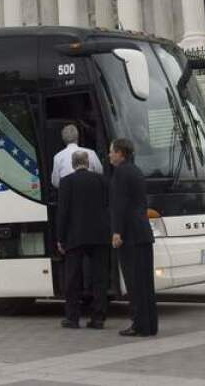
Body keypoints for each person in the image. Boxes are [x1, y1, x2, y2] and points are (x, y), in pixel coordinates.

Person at [109, 137, 156, 337]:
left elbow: (119, 204)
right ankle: (150, 324)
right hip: (143, 231)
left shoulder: (120, 172)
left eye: (111, 151)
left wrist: (117, 231)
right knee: (146, 282)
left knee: (134, 282)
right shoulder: (136, 170)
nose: (109, 155)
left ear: (120, 153)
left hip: (130, 234)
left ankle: (138, 324)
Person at [57, 150, 109, 329]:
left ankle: (72, 317)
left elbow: (62, 213)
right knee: (99, 278)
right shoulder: (102, 180)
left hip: (75, 236)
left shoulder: (66, 182)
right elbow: (108, 206)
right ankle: (98, 317)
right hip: (100, 235)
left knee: (72, 278)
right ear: (88, 163)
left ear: (73, 164)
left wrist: (60, 238)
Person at [51, 124, 102, 189]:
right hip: (90, 190)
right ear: (78, 136)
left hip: (69, 193)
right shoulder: (91, 153)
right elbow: (100, 173)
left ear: (63, 139)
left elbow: (55, 182)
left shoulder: (57, 157)